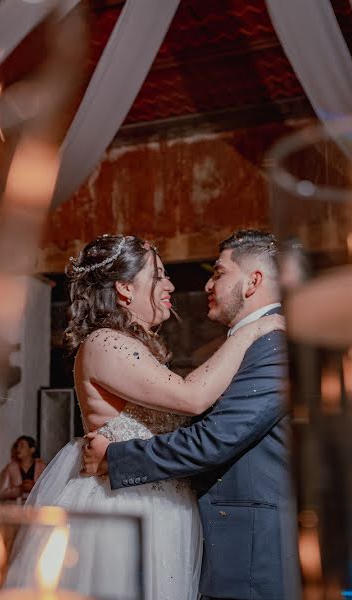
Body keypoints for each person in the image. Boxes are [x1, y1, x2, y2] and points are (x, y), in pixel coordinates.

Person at [2, 234, 284, 599]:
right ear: (124, 288)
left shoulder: (136, 347)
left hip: (163, 504)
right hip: (121, 505)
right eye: (159, 276)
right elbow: (192, 397)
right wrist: (253, 331)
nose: (170, 285)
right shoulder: (106, 342)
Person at [83, 230, 300, 600]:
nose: (206, 284)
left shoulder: (272, 342)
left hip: (249, 547)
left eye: (218, 272)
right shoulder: (109, 343)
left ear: (253, 282)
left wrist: (115, 457)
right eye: (159, 275)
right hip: (162, 517)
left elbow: (214, 437)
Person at [0, 436, 46, 502]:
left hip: (36, 508)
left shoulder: (42, 467)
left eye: (22, 446)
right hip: (16, 509)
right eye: (17, 446)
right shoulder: (10, 468)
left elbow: (50, 490)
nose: (18, 449)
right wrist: (20, 489)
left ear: (32, 449)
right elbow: (0, 493)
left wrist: (35, 487)